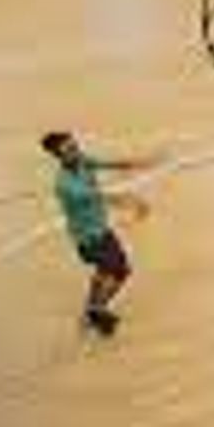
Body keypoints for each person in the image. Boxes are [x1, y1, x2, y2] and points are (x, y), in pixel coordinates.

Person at [41, 131, 150, 336]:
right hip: (89, 238)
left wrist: (134, 163)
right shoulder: (65, 185)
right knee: (120, 271)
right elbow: (101, 196)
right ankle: (96, 310)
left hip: (102, 230)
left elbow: (106, 163)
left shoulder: (81, 161)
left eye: (74, 146)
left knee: (104, 271)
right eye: (69, 150)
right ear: (58, 156)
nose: (75, 151)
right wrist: (134, 202)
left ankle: (92, 309)